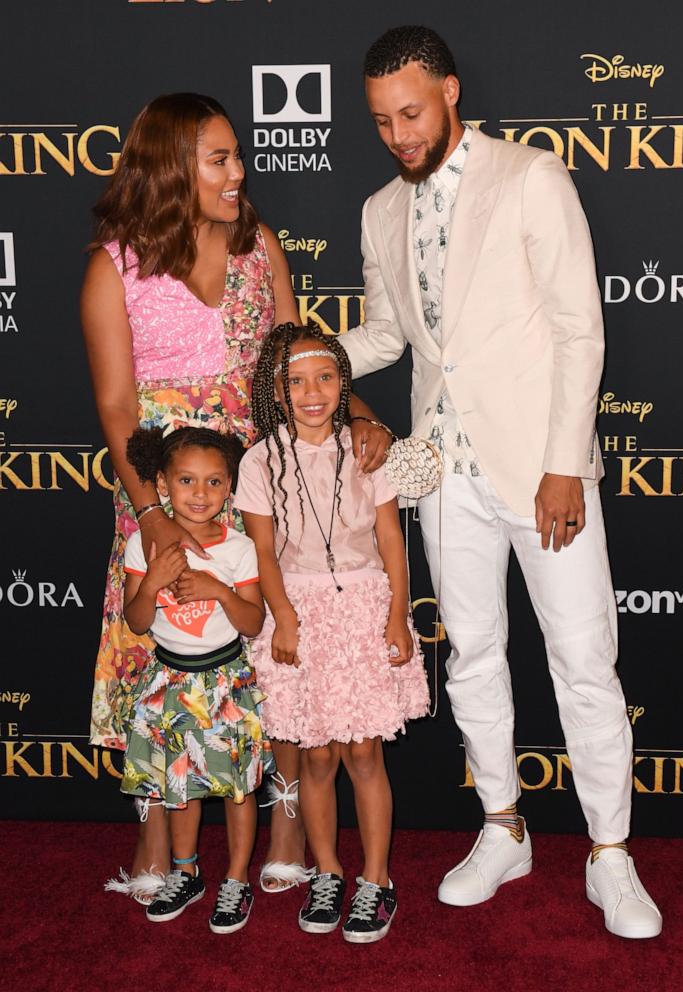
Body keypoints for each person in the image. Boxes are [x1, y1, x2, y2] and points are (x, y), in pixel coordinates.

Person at [339, 26, 662, 939]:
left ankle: (610, 855)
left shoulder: (529, 177)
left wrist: (566, 464)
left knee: (583, 662)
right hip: (443, 473)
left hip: (538, 469)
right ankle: (502, 828)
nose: (399, 134)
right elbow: (389, 336)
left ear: (448, 92)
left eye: (410, 112)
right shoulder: (377, 212)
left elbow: (578, 330)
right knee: (472, 655)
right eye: (380, 121)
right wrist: (309, 353)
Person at [82, 92, 390, 899]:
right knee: (162, 647)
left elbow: (293, 356)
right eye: (218, 158)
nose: (239, 172)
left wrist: (363, 417)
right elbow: (116, 407)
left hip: (256, 482)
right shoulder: (113, 265)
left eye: (236, 155)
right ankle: (159, 836)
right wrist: (150, 513)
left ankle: (287, 821)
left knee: (265, 646)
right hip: (163, 491)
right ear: (169, 169)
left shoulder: (261, 247)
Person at [234, 322, 429, 943]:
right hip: (297, 612)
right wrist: (283, 616)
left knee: (365, 753)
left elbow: (392, 540)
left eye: (325, 377)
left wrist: (397, 614)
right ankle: (328, 872)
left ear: (344, 383)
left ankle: (376, 880)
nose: (311, 392)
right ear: (276, 390)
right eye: (295, 382)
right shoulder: (259, 459)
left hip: (365, 605)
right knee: (316, 757)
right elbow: (263, 550)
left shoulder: (367, 449)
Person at [120, 425, 271, 931]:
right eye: (186, 481)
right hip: (169, 681)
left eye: (213, 482)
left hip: (226, 682)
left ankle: (235, 880)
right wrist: (154, 584)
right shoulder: (145, 544)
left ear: (229, 487)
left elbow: (252, 623)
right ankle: (185, 872)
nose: (200, 494)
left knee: (236, 789)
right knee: (178, 785)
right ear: (162, 483)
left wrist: (219, 590)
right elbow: (137, 621)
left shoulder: (240, 549)